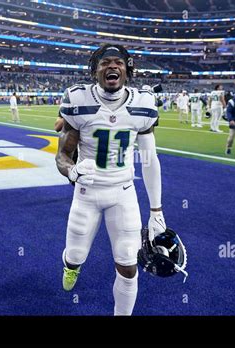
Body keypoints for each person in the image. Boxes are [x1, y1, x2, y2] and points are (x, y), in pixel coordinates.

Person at [55, 44, 166, 316]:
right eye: (105, 63)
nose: (112, 66)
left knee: (129, 264)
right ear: (95, 70)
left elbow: (150, 160)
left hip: (123, 193)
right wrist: (72, 171)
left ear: (128, 69)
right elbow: (62, 156)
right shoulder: (78, 100)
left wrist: (156, 210)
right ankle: (71, 266)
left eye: (118, 62)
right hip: (86, 193)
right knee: (75, 254)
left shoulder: (143, 104)